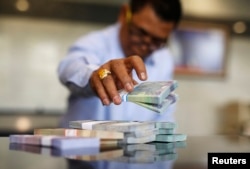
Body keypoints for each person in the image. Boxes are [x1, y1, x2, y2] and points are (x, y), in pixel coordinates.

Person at [58, 0, 182, 127]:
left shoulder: (164, 57)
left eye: (157, 40)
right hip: (83, 145)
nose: (145, 45)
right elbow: (70, 68)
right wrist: (97, 75)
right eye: (140, 32)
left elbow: (163, 115)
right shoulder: (95, 43)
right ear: (124, 14)